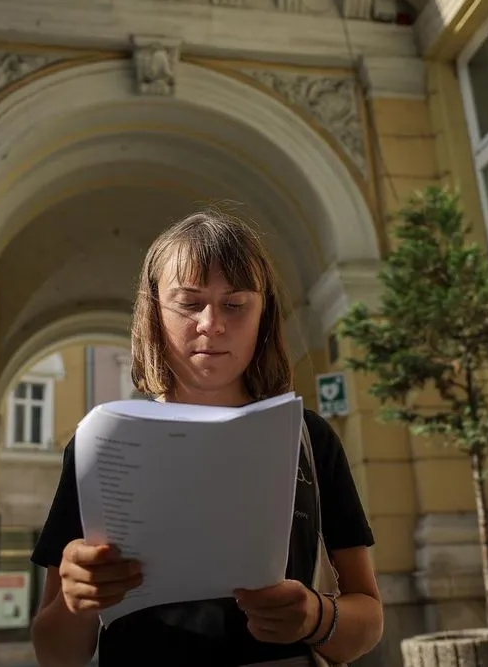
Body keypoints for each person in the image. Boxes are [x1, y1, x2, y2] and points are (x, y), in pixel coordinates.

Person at [29, 210, 383, 666]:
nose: (211, 324)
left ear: (263, 314)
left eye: (235, 304)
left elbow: (368, 621)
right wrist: (80, 601)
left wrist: (316, 616)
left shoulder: (308, 438)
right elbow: (55, 653)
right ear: (153, 310)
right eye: (189, 302)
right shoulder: (101, 445)